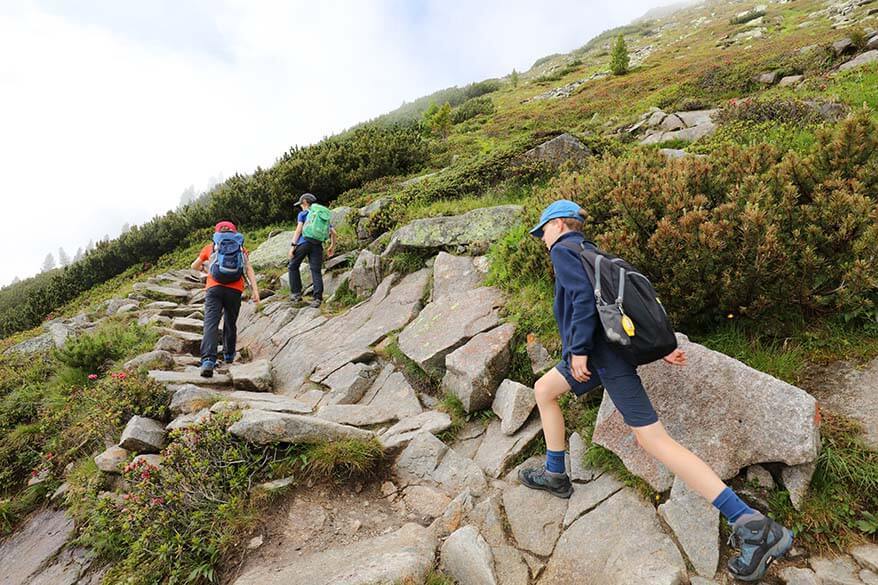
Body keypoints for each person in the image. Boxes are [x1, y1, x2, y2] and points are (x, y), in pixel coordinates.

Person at [518, 200, 793, 582]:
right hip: (606, 354)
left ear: (560, 226)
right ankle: (555, 473)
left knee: (655, 441)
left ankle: (752, 524)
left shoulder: (565, 251)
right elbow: (624, 306)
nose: (541, 239)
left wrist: (579, 350)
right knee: (544, 389)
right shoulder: (593, 253)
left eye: (542, 231)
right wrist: (658, 349)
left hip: (602, 358)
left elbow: (583, 301)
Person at [190, 221, 259, 378]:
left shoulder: (211, 247)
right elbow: (248, 269)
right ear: (234, 232)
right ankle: (228, 355)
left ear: (217, 232)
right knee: (230, 322)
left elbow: (194, 266)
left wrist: (205, 267)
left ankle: (208, 361)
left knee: (211, 322)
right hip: (235, 290)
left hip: (214, 288)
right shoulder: (240, 248)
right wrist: (255, 291)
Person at [287, 193, 337, 308]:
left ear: (305, 202)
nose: (300, 207)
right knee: (316, 271)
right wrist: (332, 247)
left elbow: (299, 230)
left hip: (304, 243)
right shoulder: (321, 215)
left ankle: (296, 294)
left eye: (301, 204)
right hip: (317, 245)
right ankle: (317, 299)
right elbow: (334, 233)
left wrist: (293, 246)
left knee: (293, 266)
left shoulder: (303, 214)